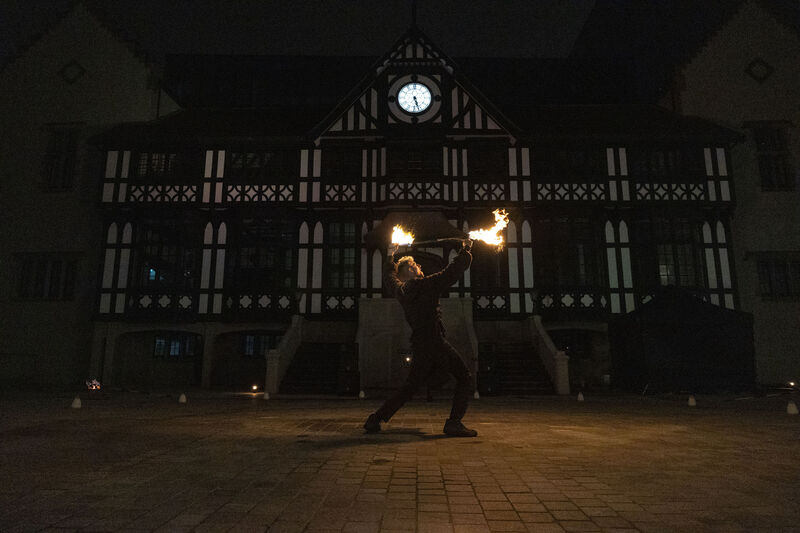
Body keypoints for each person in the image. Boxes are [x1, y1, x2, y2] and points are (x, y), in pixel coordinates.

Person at [363, 239, 478, 437]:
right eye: (414, 264)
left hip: (420, 342)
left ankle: (375, 419)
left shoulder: (400, 290)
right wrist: (465, 251)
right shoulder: (424, 285)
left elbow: (389, 277)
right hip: (434, 341)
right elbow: (450, 273)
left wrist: (390, 256)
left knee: (410, 387)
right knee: (464, 376)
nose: (419, 266)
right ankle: (454, 423)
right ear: (408, 271)